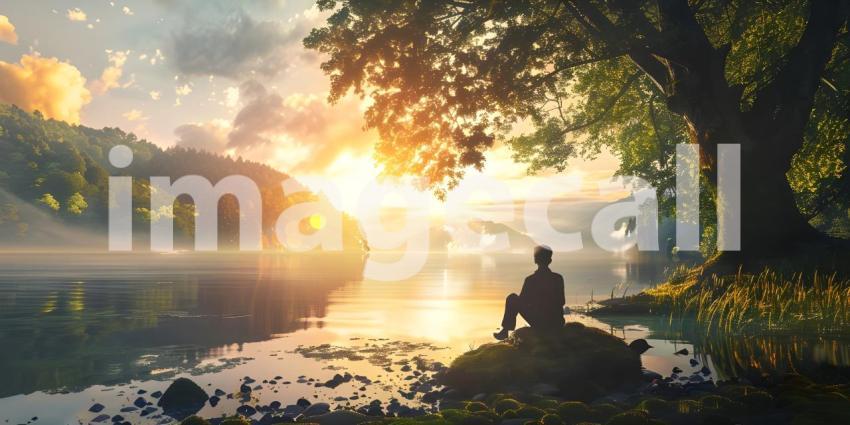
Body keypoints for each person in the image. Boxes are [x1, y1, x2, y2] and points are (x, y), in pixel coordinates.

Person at [493, 245, 566, 340]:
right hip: (556, 322)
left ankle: (505, 330)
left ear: (535, 260)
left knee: (512, 298)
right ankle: (505, 331)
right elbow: (562, 301)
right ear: (550, 260)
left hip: (540, 322)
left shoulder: (531, 280)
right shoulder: (558, 278)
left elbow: (523, 301)